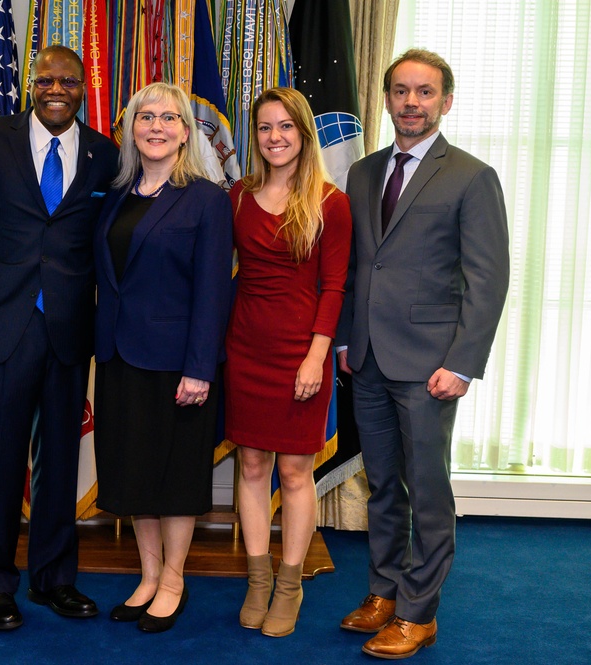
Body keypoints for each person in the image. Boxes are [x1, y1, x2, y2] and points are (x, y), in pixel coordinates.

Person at [335, 49, 510, 660]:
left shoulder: (470, 175)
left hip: (431, 365)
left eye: (425, 92)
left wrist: (462, 363)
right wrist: (346, 338)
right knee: (382, 486)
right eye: (401, 91)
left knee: (426, 490)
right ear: (385, 99)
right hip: (369, 360)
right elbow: (359, 265)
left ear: (445, 101)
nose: (411, 102)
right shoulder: (362, 173)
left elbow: (487, 280)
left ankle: (418, 612)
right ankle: (383, 593)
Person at [0, 45, 119, 631]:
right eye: (47, 79)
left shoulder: (106, 153)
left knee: (59, 458)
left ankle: (55, 578)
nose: (58, 88)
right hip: (4, 322)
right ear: (31, 84)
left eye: (70, 81)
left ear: (85, 88)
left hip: (68, 327)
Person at [92, 81, 233, 634]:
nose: (155, 127)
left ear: (184, 132)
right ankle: (147, 577)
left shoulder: (206, 198)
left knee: (173, 479)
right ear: (131, 128)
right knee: (134, 475)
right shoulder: (117, 193)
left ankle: (174, 580)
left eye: (168, 118)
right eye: (145, 117)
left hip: (178, 366)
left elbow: (212, 292)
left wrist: (200, 367)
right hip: (120, 359)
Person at [224, 87, 352, 637]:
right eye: (264, 128)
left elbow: (334, 286)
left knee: (296, 472)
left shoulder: (329, 202)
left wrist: (315, 357)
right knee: (251, 466)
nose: (274, 137)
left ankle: (290, 585)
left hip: (302, 353)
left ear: (303, 133)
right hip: (245, 348)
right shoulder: (238, 195)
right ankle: (257, 580)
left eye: (285, 127)